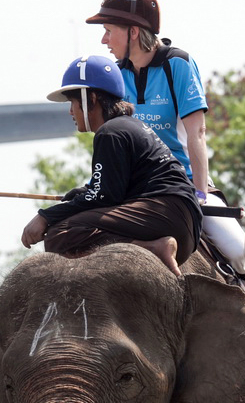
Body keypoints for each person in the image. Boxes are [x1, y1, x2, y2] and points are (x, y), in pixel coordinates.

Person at [85, 0, 245, 351]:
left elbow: (196, 136)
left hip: (183, 185)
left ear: (134, 32)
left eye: (109, 30)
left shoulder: (178, 65)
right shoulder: (114, 76)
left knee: (234, 244)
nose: (104, 39)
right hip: (138, 193)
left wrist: (199, 192)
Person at [21, 55, 203, 277]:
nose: (70, 112)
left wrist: (45, 216)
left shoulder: (110, 132)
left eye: (72, 102)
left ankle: (153, 248)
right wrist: (81, 194)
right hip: (185, 226)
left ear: (92, 99)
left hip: (165, 213)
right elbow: (113, 187)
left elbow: (105, 197)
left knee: (60, 234)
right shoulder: (128, 126)